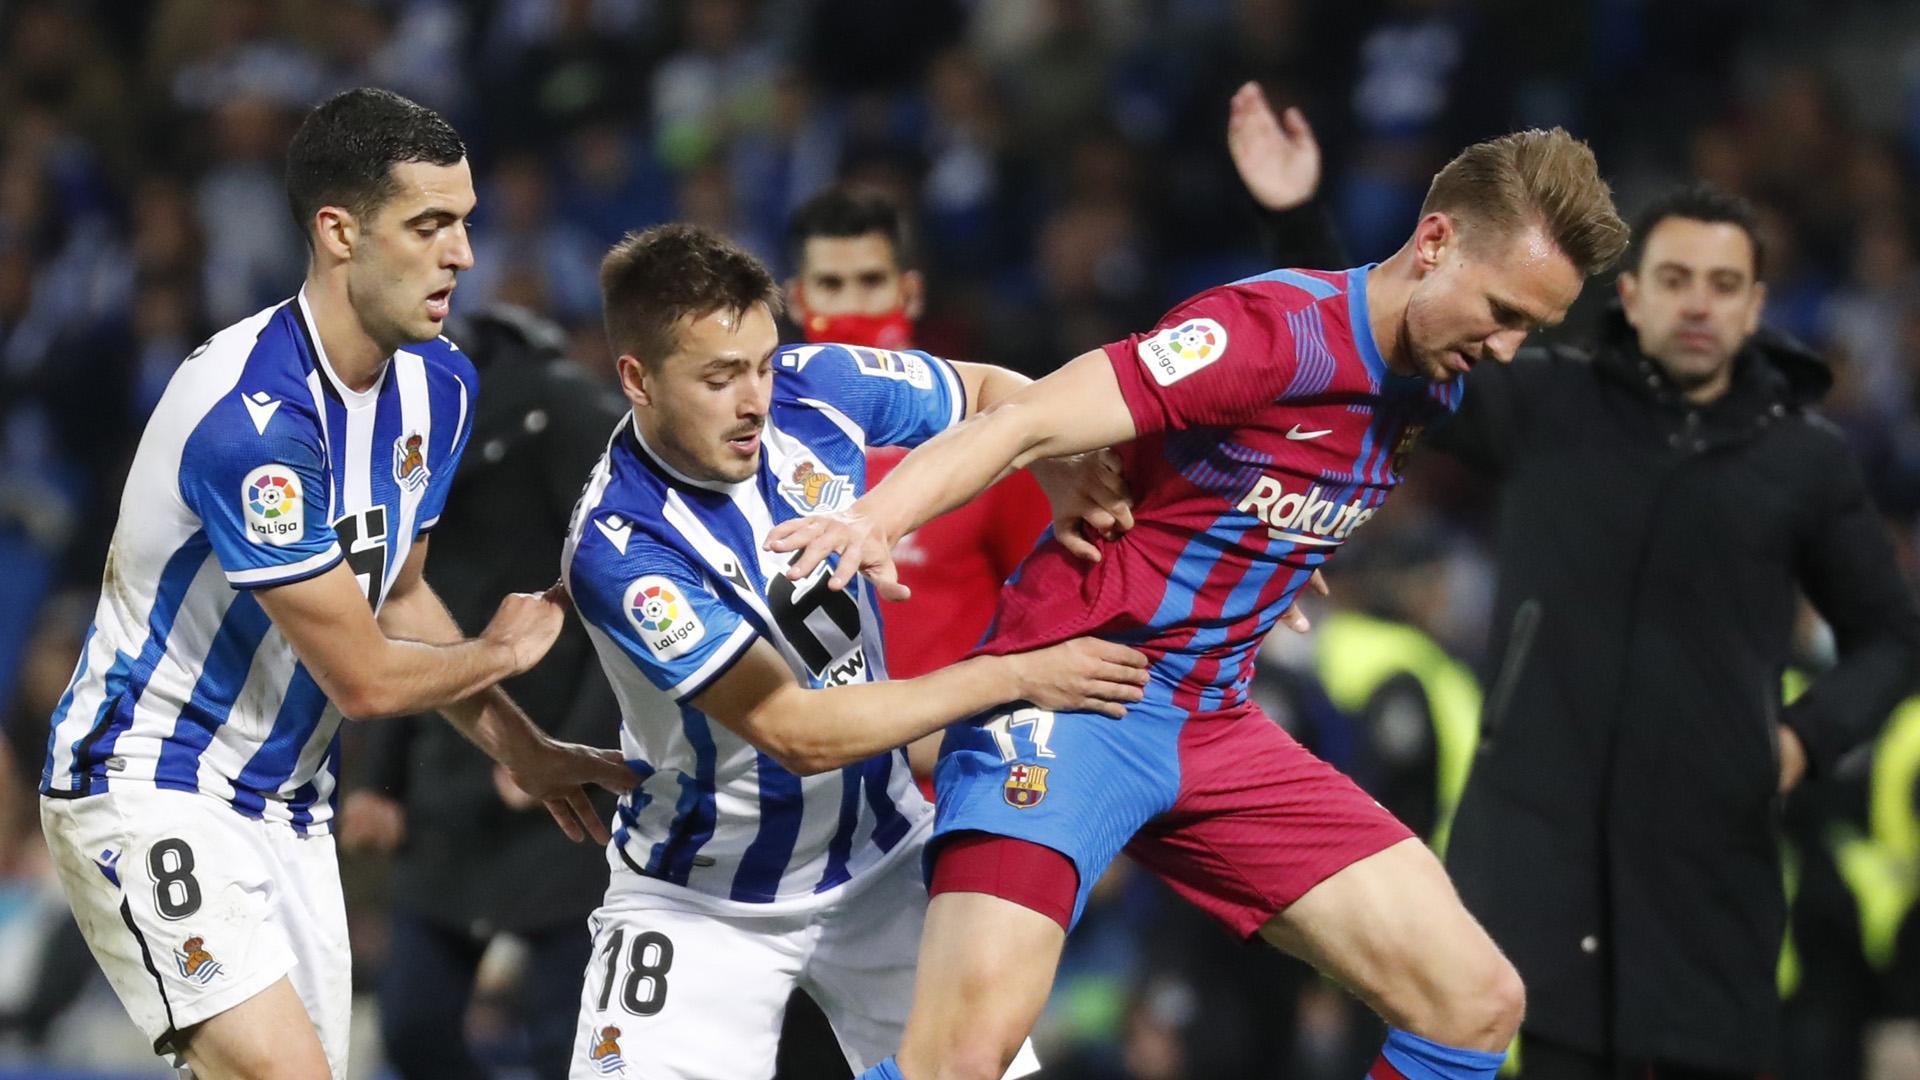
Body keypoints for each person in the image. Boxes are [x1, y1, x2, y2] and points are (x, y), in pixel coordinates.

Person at [770, 127, 1631, 1080]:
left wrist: (1268, 553)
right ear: (1433, 244)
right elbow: (1028, 420)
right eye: (1504, 311)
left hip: (1214, 726)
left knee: (1475, 1003)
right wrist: (876, 519)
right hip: (1069, 702)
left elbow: (1257, 478)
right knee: (957, 1064)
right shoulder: (1271, 330)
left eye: (1531, 332)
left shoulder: (1432, 377)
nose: (1507, 349)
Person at [35, 88, 632, 1080]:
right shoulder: (251, 420)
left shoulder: (439, 387)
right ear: (339, 231)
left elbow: (398, 598)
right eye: (430, 225)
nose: (463, 256)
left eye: (468, 223)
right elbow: (362, 677)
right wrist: (499, 651)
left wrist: (524, 748)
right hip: (149, 781)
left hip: (290, 807)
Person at [560, 223, 1148, 1079]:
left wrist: (1051, 462)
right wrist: (1012, 675)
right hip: (701, 899)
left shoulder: (815, 388)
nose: (754, 398)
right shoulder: (622, 546)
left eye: (761, 363)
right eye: (719, 377)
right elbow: (795, 731)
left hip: (883, 860)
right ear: (637, 380)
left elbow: (992, 390)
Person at [1428, 184, 1920, 1079]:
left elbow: (1893, 637)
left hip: (1707, 890)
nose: (1700, 302)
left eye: (1726, 284)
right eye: (1678, 278)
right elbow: (1406, 356)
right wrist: (1300, 214)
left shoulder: (1805, 462)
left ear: (1756, 306)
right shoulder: (1547, 406)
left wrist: (1802, 742)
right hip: (1536, 867)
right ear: (1632, 294)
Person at [337, 305, 629, 1080]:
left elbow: (626, 609)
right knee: (413, 1029)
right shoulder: (395, 439)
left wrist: (568, 749)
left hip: (567, 785)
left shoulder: (563, 417)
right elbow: (407, 610)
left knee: (564, 1041)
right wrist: (384, 783)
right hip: (449, 777)